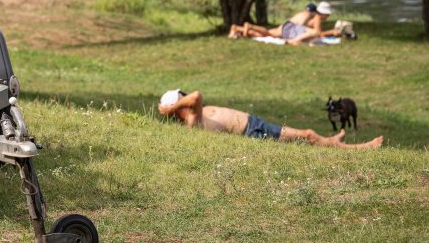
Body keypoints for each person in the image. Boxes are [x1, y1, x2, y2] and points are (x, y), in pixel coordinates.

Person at [157, 89, 383, 149]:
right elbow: (196, 96)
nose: (185, 97)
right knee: (307, 135)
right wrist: (169, 110)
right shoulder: (191, 122)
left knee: (308, 136)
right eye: (181, 98)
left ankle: (333, 142)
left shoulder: (195, 114)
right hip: (253, 131)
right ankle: (361, 148)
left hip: (254, 124)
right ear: (177, 107)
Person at [228, 1, 342, 45]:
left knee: (267, 33)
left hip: (287, 25)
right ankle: (247, 27)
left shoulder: (309, 15)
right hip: (291, 28)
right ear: (324, 13)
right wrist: (332, 32)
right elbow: (318, 33)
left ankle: (239, 28)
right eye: (328, 14)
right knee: (268, 34)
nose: (328, 17)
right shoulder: (316, 16)